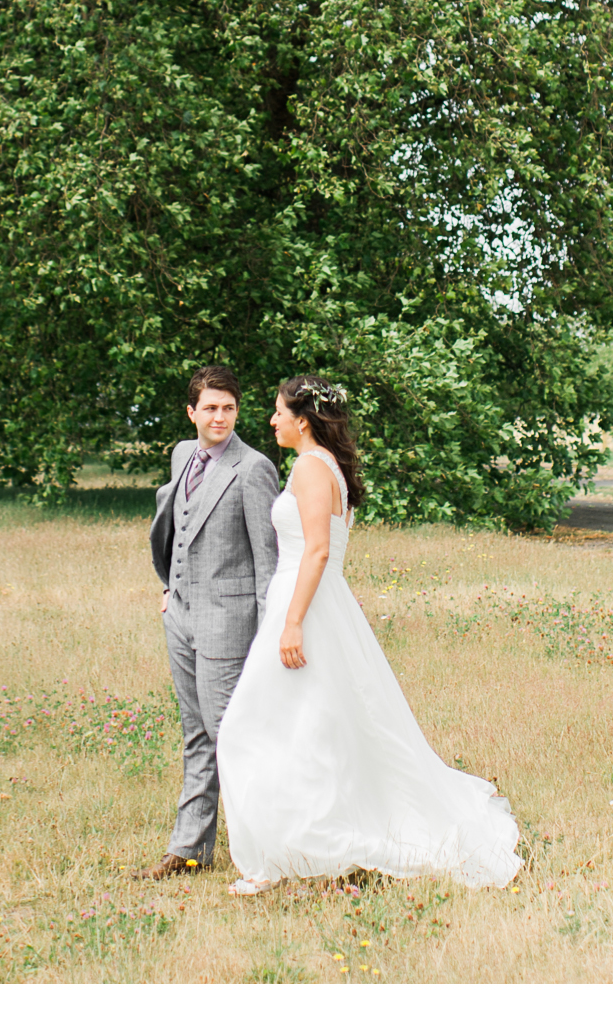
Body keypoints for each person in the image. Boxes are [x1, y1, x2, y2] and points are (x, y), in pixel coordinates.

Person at [215, 377, 524, 894]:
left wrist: (292, 622)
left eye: (278, 413)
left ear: (303, 420)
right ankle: (292, 847)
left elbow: (315, 551)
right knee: (306, 728)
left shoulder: (312, 468)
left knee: (252, 728)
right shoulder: (325, 466)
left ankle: (297, 849)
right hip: (319, 603)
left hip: (306, 605)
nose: (272, 422)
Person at [142, 363, 281, 878]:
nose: (220, 417)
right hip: (180, 615)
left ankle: (270, 849)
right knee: (196, 733)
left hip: (229, 619)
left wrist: (270, 636)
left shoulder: (254, 468)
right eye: (210, 408)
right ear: (192, 412)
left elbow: (268, 563)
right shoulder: (184, 454)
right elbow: (172, 525)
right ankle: (189, 852)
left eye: (229, 408)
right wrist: (168, 587)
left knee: (233, 736)